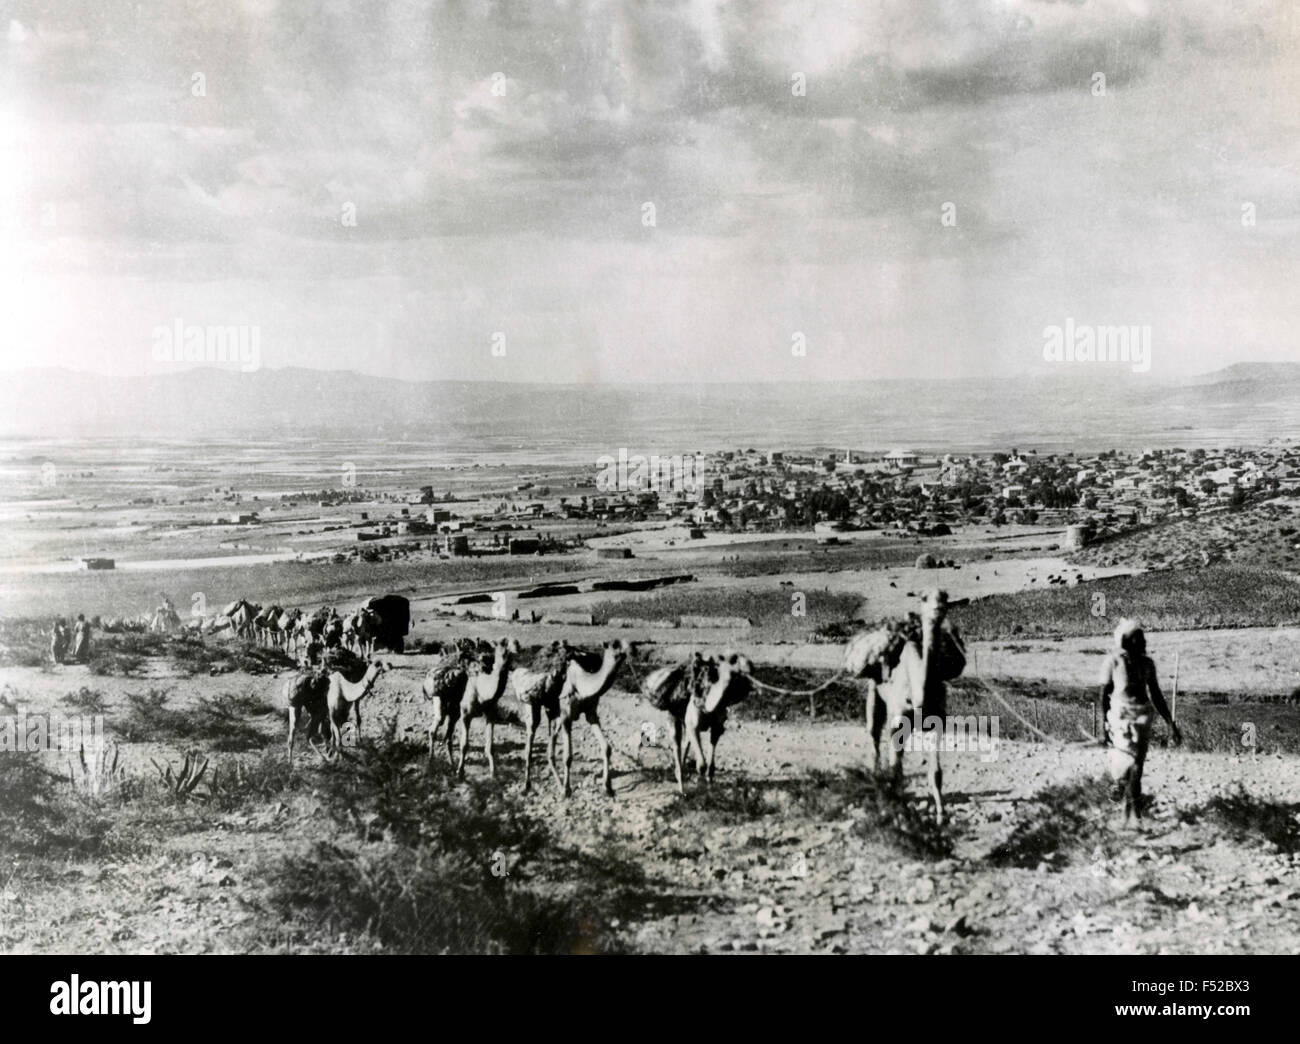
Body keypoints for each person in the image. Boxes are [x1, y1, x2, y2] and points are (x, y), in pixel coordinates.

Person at [1099, 619, 1181, 825]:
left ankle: (1131, 817)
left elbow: (1156, 694)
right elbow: (1103, 695)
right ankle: (1131, 812)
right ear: (1127, 641)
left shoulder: (1147, 664)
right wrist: (1103, 725)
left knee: (1137, 768)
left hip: (1143, 719)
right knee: (1129, 769)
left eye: (1143, 637)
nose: (1143, 641)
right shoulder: (1113, 662)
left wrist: (1170, 723)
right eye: (1138, 638)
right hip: (1121, 720)